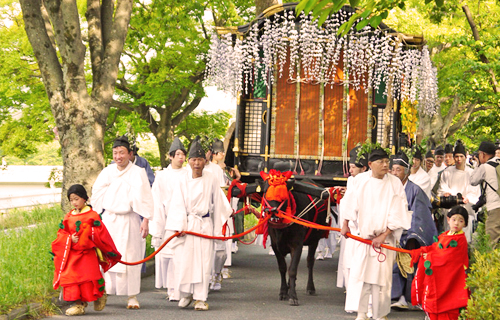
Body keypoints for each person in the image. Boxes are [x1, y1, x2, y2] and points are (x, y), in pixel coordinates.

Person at [341, 148, 412, 320]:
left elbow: (398, 211)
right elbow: (349, 202)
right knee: (361, 277)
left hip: (384, 240)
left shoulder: (394, 183)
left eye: (387, 162)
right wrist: (345, 224)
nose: (386, 165)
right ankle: (361, 313)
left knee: (382, 280)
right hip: (363, 238)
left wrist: (384, 234)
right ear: (370, 164)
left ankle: (379, 314)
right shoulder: (360, 181)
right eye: (381, 162)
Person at [166, 139, 233, 311]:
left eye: (200, 159)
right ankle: (186, 294)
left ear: (205, 161)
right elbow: (176, 203)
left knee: (204, 261)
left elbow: (218, 203)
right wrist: (179, 227)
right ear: (189, 161)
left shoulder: (210, 178)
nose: (197, 163)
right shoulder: (181, 180)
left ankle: (201, 298)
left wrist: (218, 228)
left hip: (204, 224)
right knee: (185, 261)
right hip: (187, 225)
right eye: (193, 159)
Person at [90, 136, 154, 309]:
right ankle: (106, 292)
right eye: (115, 153)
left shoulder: (138, 172)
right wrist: (97, 216)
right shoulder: (107, 172)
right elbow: (96, 193)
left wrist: (145, 220)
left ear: (130, 154)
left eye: (122, 153)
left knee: (131, 256)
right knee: (107, 255)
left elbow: (146, 197)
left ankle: (132, 296)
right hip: (110, 220)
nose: (118, 156)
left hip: (131, 219)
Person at [52, 184, 121, 316]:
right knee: (71, 277)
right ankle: (78, 304)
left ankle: (99, 295)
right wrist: (69, 239)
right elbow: (61, 233)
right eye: (71, 200)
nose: (74, 202)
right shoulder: (68, 216)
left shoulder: (92, 215)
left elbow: (101, 233)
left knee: (88, 278)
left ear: (84, 198)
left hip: (87, 254)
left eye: (76, 199)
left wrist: (86, 234)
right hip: (72, 253)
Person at [389, 153, 437, 310]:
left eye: (399, 169)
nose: (395, 173)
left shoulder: (415, 190)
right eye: (393, 169)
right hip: (391, 231)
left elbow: (421, 214)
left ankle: (407, 297)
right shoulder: (388, 188)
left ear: (407, 172)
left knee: (409, 265)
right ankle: (394, 296)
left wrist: (413, 235)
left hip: (408, 232)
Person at [410, 206, 469, 320]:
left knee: (448, 305)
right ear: (448, 219)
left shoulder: (460, 239)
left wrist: (430, 257)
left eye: (461, 220)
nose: (456, 223)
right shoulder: (445, 235)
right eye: (454, 219)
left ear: (465, 224)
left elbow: (450, 257)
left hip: (453, 278)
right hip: (441, 274)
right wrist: (423, 251)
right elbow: (435, 248)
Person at [150, 137, 187, 300]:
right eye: (178, 154)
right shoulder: (162, 176)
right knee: (169, 256)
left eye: (183, 154)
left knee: (183, 255)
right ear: (171, 156)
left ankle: (183, 288)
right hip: (166, 218)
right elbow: (156, 200)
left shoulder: (188, 174)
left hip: (184, 220)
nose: (181, 157)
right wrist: (157, 227)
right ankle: (172, 288)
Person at [336, 146, 368, 288]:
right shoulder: (351, 180)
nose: (350, 170)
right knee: (347, 261)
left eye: (354, 167)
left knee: (358, 264)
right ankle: (350, 292)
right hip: (350, 229)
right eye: (350, 167)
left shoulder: (367, 181)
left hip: (360, 228)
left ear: (364, 168)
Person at [437, 141, 479, 242]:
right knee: (449, 238)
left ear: (465, 157)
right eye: (456, 156)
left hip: (465, 209)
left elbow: (475, 191)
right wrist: (446, 193)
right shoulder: (447, 172)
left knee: (463, 239)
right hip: (450, 209)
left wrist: (467, 197)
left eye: (461, 156)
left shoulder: (471, 173)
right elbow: (442, 187)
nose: (459, 159)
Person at [470, 141, 500, 247]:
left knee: (492, 243)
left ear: (483, 154)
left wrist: (477, 164)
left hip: (495, 208)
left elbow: (473, 181)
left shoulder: (485, 167)